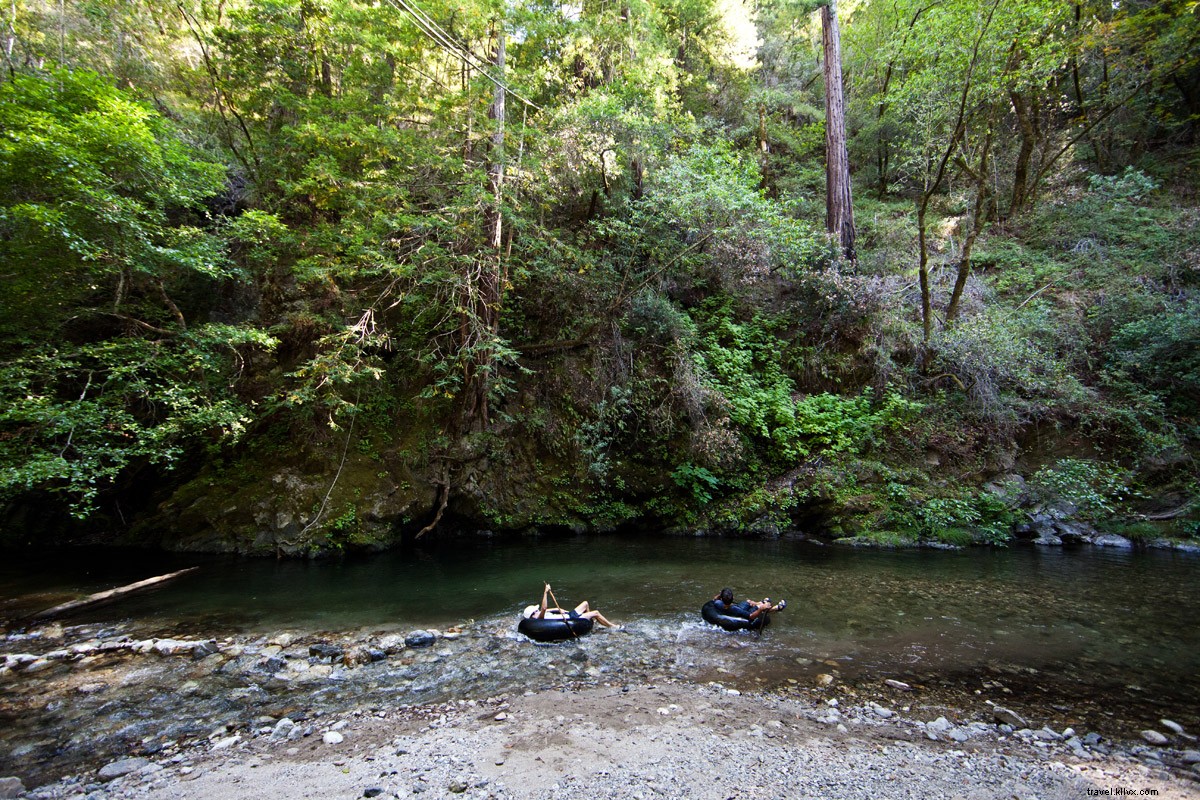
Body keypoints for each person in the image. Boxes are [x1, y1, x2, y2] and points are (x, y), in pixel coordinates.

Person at [525, 583, 617, 628]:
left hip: (569, 615)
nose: (538, 611)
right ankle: (613, 627)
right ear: (533, 615)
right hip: (570, 620)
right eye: (536, 611)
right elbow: (544, 608)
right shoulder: (540, 619)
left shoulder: (541, 614)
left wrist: (561, 609)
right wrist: (545, 592)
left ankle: (589, 622)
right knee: (596, 612)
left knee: (585, 603)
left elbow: (549, 609)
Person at [711, 587, 786, 623]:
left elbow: (715, 599)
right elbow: (751, 617)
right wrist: (761, 608)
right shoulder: (736, 610)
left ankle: (760, 602)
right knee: (759, 607)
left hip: (734, 608)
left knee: (747, 602)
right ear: (733, 598)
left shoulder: (717, 603)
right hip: (738, 614)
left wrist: (720, 594)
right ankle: (775, 608)